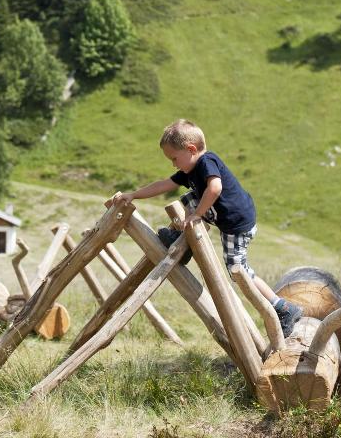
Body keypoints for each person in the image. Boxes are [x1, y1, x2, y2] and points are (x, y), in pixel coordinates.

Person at [107, 119, 302, 337]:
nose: (173, 164)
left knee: (238, 272)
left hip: (237, 224)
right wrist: (133, 194)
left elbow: (215, 187)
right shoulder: (189, 170)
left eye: (174, 158)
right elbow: (164, 185)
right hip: (225, 218)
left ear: (191, 149)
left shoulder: (207, 161)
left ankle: (282, 307)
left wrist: (198, 214)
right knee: (188, 197)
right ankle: (185, 240)